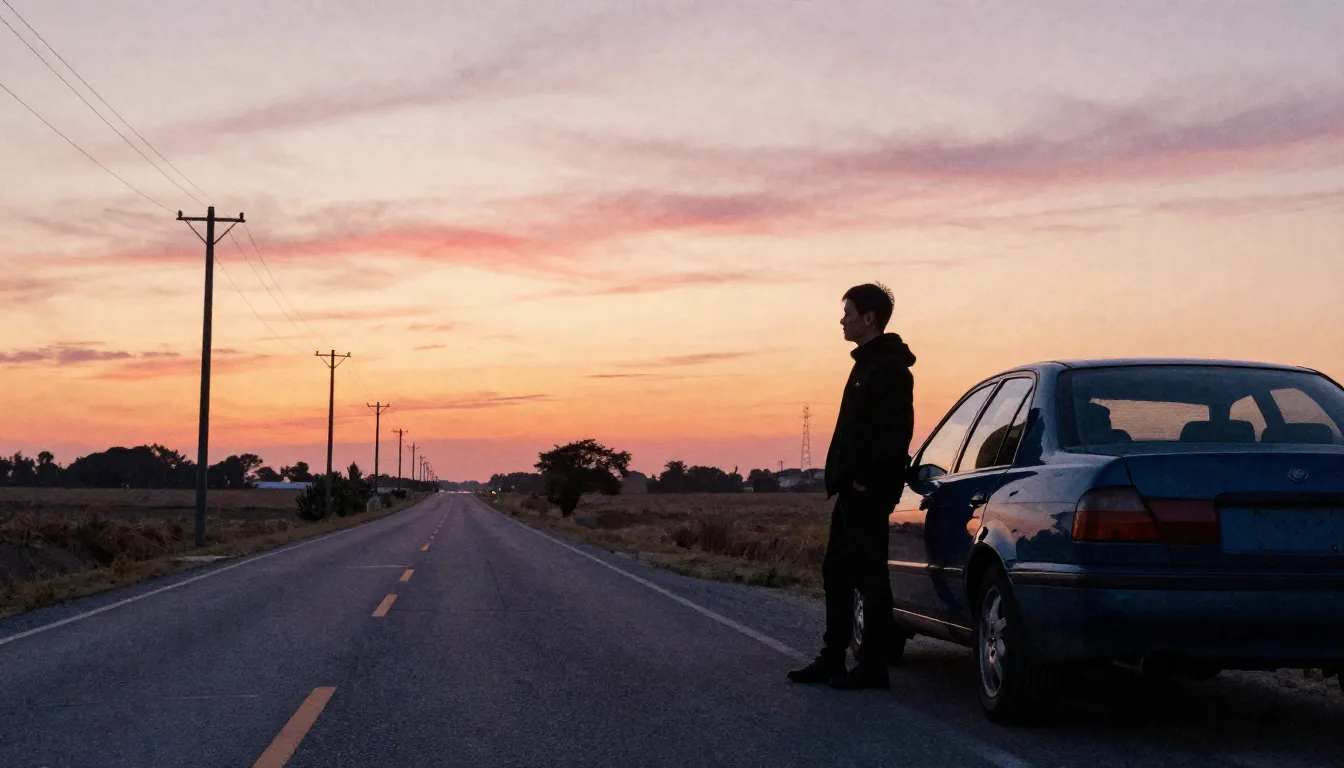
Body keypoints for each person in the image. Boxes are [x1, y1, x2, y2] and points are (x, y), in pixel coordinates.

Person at [788, 282, 916, 690]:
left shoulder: (889, 369)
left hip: (867, 492)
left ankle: (874, 664)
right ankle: (832, 658)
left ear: (869, 317)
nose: (842, 320)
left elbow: (895, 433)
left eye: (848, 312)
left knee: (869, 576)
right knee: (837, 572)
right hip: (851, 490)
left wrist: (866, 481)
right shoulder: (865, 364)